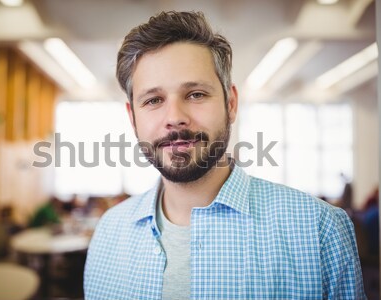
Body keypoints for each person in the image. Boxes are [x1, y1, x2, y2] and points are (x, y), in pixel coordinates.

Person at [84, 11, 365, 299]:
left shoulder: (319, 231)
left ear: (231, 104)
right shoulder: (109, 234)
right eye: (153, 100)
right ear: (132, 119)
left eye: (195, 94)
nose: (175, 118)